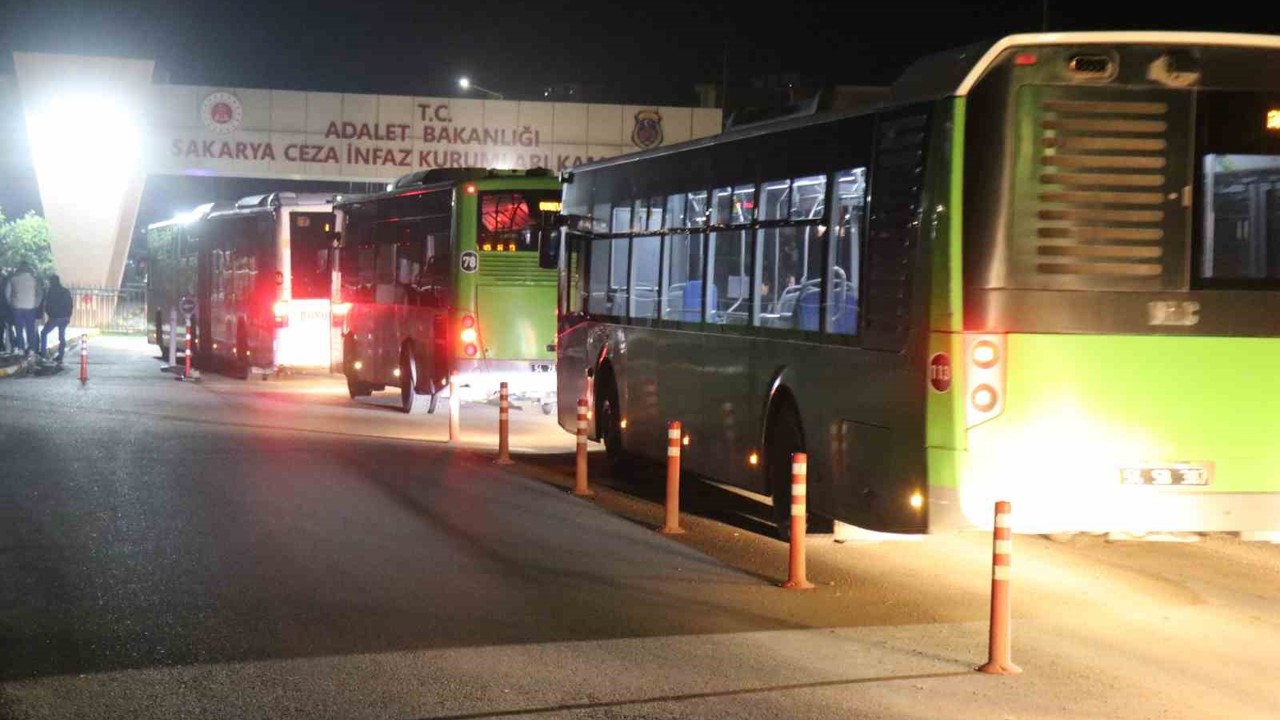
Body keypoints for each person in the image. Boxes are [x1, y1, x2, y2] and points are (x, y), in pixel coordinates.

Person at [5, 262, 42, 357]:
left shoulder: (13, 279)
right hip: (30, 307)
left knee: (19, 329)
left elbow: (7, 293)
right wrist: (36, 304)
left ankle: (21, 349)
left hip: (17, 307)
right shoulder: (34, 280)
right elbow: (39, 294)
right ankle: (32, 350)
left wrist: (12, 303)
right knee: (30, 329)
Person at [39, 274, 73, 363]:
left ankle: (43, 353)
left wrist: (50, 314)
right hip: (65, 317)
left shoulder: (51, 291)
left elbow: (48, 305)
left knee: (43, 333)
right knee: (62, 337)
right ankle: (60, 355)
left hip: (55, 317)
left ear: (51, 282)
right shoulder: (65, 291)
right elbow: (70, 305)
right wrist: (69, 316)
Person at [0, 271, 12, 354]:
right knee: (6, 328)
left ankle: (4, 346)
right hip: (6, 308)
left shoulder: (6, 280)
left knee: (4, 328)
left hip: (4, 308)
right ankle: (5, 346)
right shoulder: (6, 280)